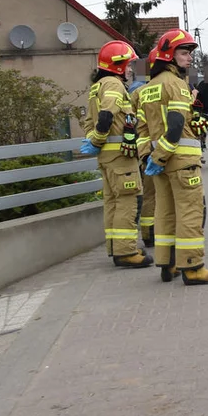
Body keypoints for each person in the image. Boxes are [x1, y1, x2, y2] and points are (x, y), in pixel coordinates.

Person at [137, 29, 208, 285]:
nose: (189, 59)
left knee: (165, 212)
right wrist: (163, 155)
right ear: (169, 55)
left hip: (159, 165)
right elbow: (175, 125)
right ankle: (193, 267)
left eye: (189, 54)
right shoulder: (175, 84)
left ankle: (168, 264)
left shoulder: (148, 88)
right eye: (184, 53)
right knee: (190, 213)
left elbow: (142, 130)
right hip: (181, 162)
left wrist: (149, 158)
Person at [79, 41, 153, 269]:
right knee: (128, 201)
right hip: (121, 157)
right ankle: (127, 251)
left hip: (106, 158)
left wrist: (95, 142)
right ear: (118, 64)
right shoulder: (113, 84)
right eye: (129, 65)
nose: (131, 69)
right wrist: (100, 138)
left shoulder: (97, 86)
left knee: (112, 202)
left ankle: (116, 247)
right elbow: (105, 117)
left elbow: (89, 122)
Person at [128, 51, 157, 248]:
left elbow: (131, 120)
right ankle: (160, 234)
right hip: (164, 149)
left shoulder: (135, 92)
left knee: (149, 194)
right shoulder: (165, 88)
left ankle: (148, 235)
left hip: (144, 148)